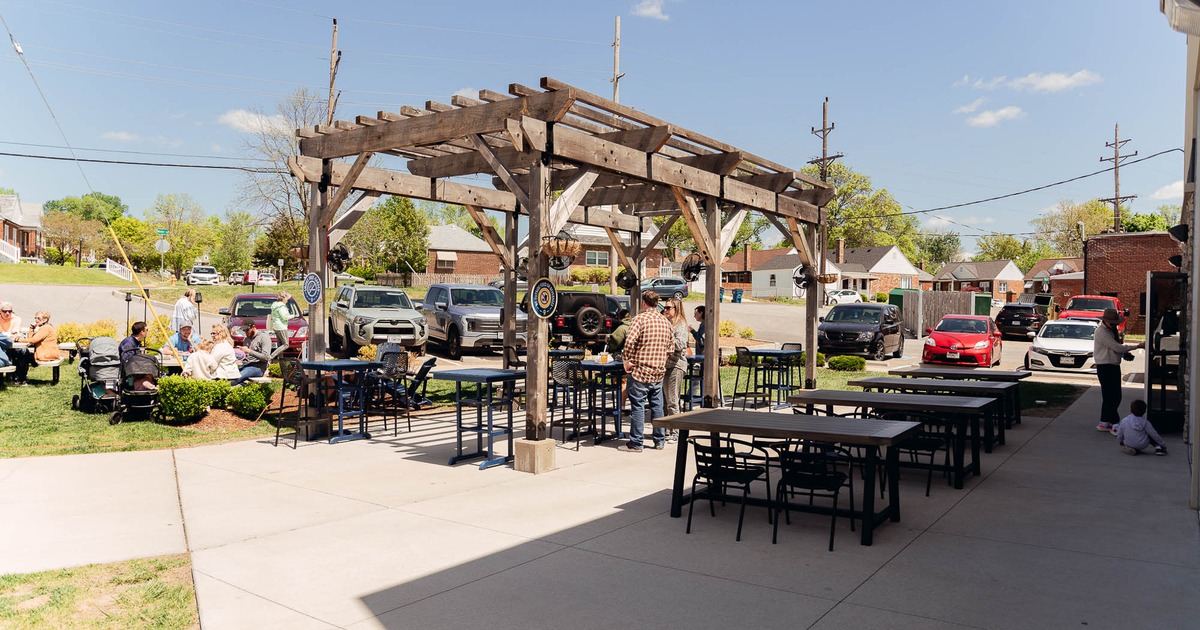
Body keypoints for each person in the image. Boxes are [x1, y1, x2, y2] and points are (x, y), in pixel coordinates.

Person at [618, 290, 673, 452]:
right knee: (657, 406)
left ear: (643, 303)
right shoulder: (665, 321)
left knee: (638, 406)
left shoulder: (639, 319)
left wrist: (627, 361)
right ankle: (659, 440)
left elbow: (629, 342)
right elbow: (671, 347)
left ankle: (636, 442)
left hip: (640, 370)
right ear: (657, 303)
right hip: (658, 371)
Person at [1093, 308, 1143, 433]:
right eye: (1112, 322)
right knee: (1111, 396)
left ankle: (1104, 421)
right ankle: (1115, 423)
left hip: (1112, 365)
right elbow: (1115, 346)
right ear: (1105, 321)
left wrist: (1124, 354)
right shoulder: (1101, 332)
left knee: (1113, 396)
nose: (1114, 324)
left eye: (1115, 322)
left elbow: (1115, 348)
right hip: (1105, 366)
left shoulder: (1111, 331)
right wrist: (1137, 346)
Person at [661, 298, 690, 443]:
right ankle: (667, 429)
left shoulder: (681, 325)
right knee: (665, 401)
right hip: (665, 366)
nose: (665, 310)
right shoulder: (667, 323)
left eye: (668, 308)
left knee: (672, 401)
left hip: (676, 365)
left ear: (676, 309)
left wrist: (666, 337)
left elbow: (680, 344)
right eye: (664, 308)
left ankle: (675, 432)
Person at [12, 310, 62, 384]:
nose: (36, 320)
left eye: (38, 318)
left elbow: (33, 340)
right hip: (51, 353)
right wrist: (31, 329)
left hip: (45, 355)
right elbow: (31, 338)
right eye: (35, 318)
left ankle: (20, 379)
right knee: (24, 355)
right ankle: (21, 378)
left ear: (45, 319)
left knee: (21, 356)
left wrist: (17, 339)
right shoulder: (47, 327)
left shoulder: (45, 328)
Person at [268, 292, 292, 359]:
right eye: (287, 299)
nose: (287, 301)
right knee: (286, 344)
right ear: (284, 298)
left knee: (280, 345)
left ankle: (280, 361)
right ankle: (271, 356)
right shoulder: (281, 306)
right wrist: (293, 316)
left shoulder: (274, 305)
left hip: (276, 326)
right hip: (281, 326)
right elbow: (284, 317)